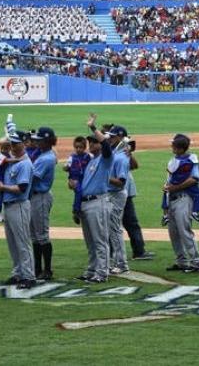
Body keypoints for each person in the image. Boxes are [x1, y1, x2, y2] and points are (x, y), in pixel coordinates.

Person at [74, 114, 114, 283]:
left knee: (99, 240)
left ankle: (102, 272)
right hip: (86, 204)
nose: (91, 144)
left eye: (94, 142)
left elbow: (106, 144)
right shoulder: (90, 161)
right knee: (90, 241)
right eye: (90, 142)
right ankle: (92, 270)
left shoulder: (105, 159)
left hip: (98, 202)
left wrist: (92, 127)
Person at [0, 128, 35, 288]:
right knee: (12, 242)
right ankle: (18, 273)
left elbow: (21, 188)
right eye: (12, 143)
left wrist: (3, 188)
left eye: (16, 144)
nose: (13, 146)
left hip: (19, 205)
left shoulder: (24, 164)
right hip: (9, 206)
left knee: (23, 242)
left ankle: (29, 276)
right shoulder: (12, 160)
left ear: (24, 144)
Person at [163, 134, 199, 273]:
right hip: (172, 199)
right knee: (173, 232)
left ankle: (197, 262)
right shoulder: (173, 160)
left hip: (184, 198)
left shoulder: (192, 160)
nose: (171, 147)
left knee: (185, 231)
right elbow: (169, 179)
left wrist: (175, 187)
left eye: (174, 145)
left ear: (180, 148)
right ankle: (181, 261)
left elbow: (194, 179)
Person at [29, 127, 57, 280]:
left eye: (40, 140)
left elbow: (32, 177)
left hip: (40, 197)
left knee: (42, 235)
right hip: (34, 197)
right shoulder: (43, 154)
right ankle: (37, 269)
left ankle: (47, 270)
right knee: (34, 236)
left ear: (48, 141)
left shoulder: (46, 158)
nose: (37, 142)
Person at [105, 125, 130, 275]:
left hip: (116, 194)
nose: (110, 139)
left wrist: (103, 177)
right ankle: (116, 261)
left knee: (115, 229)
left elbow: (121, 182)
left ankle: (121, 263)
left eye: (113, 137)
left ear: (120, 138)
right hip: (111, 194)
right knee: (111, 229)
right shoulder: (116, 153)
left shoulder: (121, 158)